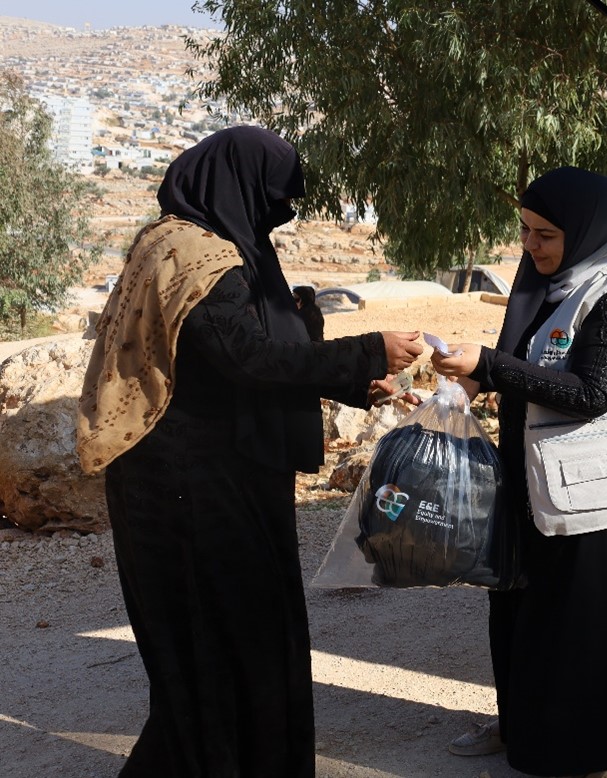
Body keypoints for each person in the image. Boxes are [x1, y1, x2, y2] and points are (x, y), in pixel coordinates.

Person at [76, 125, 423, 777]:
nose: (274, 217)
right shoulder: (192, 256)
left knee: (244, 648)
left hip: (222, 476)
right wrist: (369, 348)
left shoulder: (196, 243)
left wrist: (356, 382)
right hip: (189, 492)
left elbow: (252, 357)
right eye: (269, 200)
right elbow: (251, 360)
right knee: (221, 655)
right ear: (236, 187)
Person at [431, 166, 607, 778]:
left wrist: (492, 365)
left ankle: (585, 751)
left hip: (600, 500)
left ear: (589, 230)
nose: (530, 246)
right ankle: (524, 727)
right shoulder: (541, 285)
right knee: (526, 621)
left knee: (587, 635)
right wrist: (479, 377)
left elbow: (593, 390)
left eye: (546, 234)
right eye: (524, 230)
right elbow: (530, 372)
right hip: (535, 487)